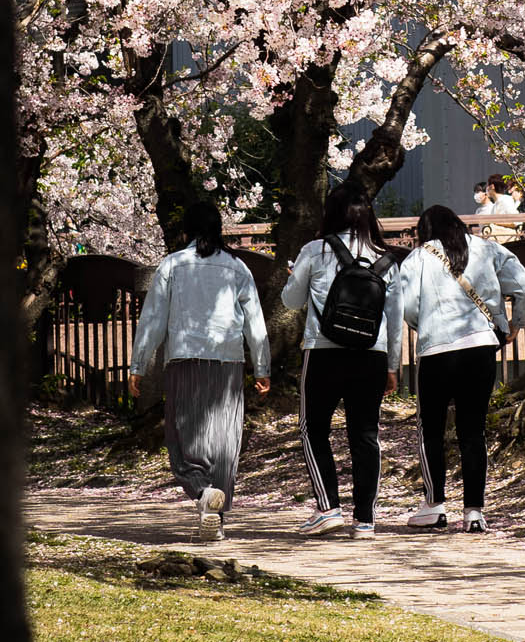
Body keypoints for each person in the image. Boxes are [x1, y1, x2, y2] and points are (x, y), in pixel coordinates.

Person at [127, 200, 270, 542]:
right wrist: (262, 366)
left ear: (187, 230)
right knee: (224, 438)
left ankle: (203, 492)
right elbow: (256, 323)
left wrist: (138, 364)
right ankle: (216, 517)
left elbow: (153, 319)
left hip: (185, 358)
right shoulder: (238, 268)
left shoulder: (173, 264)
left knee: (183, 434)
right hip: (229, 361)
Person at [400, 205, 525, 534]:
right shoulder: (488, 249)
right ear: (459, 225)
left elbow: (406, 306)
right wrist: (516, 323)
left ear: (424, 231)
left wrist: (426, 324)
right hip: (480, 347)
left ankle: (434, 505)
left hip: (436, 350)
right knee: (473, 431)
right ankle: (474, 511)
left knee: (430, 429)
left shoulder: (417, 258)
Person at [281, 182, 402, 539]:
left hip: (323, 352)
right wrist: (392, 366)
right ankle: (365, 519)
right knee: (366, 435)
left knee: (313, 429)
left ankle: (328, 507)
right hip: (372, 355)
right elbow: (393, 320)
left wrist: (294, 278)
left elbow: (291, 302)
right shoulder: (386, 259)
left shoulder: (315, 251)